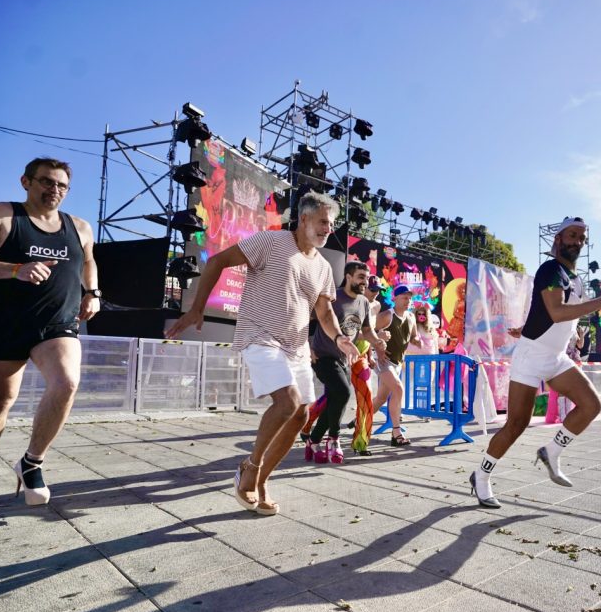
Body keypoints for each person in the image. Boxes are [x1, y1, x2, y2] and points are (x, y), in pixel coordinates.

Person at [166, 192, 358, 516]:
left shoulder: (324, 268)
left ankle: (262, 479)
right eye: (324, 221)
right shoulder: (271, 242)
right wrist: (197, 309)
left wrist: (339, 337)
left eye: (331, 223)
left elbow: (324, 313)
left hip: (295, 345)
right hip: (260, 334)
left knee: (299, 416)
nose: (329, 229)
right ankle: (250, 468)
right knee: (288, 402)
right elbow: (217, 261)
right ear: (305, 218)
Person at [0, 158, 100, 508]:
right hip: (4, 322)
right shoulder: (2, 216)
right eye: (47, 182)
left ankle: (32, 461)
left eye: (62, 186)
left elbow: (87, 260)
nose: (55, 190)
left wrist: (93, 292)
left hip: (57, 323)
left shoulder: (80, 226)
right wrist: (15, 269)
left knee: (66, 382)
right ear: (26, 181)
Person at [470, 216, 601, 508]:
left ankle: (551, 451)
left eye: (581, 237)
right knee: (516, 424)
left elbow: (551, 314)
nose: (577, 241)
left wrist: (525, 327)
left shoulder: (573, 278)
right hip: (532, 356)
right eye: (572, 235)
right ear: (558, 239)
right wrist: (600, 303)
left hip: (556, 356)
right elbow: (555, 311)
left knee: (592, 406)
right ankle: (481, 476)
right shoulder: (551, 269)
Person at [303, 261, 387, 464]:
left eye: (366, 278)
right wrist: (308, 347)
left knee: (335, 398)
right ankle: (334, 438)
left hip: (343, 358)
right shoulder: (333, 297)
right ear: (348, 277)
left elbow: (366, 331)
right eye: (360, 277)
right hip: (322, 355)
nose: (364, 282)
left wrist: (377, 342)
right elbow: (306, 319)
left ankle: (313, 442)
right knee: (343, 391)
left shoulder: (364, 303)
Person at [370, 285, 422, 446]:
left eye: (410, 298)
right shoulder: (386, 316)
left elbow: (413, 336)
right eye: (404, 297)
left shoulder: (411, 318)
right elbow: (367, 332)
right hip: (383, 360)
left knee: (381, 398)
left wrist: (417, 340)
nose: (408, 301)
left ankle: (360, 420)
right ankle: (396, 433)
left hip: (398, 362)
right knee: (398, 388)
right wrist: (378, 340)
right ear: (395, 299)